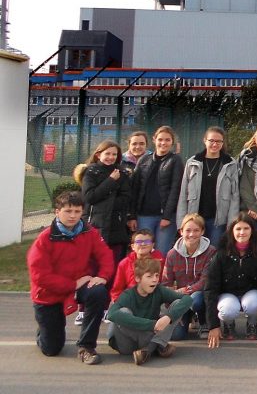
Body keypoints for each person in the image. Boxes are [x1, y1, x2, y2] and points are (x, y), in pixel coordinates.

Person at [27, 190, 113, 364]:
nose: (73, 216)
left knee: (98, 293)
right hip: (48, 294)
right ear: (57, 212)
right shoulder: (44, 239)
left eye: (77, 211)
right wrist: (72, 285)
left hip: (79, 283)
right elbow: (40, 276)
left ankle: (86, 347)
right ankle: (45, 331)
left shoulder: (90, 232)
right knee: (51, 349)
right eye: (68, 211)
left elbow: (105, 255)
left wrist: (103, 276)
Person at [106, 256, 191, 364]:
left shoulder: (159, 290)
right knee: (123, 312)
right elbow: (111, 314)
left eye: (156, 275)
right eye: (149, 276)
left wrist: (168, 317)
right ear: (138, 279)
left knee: (178, 304)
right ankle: (157, 345)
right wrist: (152, 325)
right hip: (126, 344)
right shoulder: (128, 295)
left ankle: (148, 350)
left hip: (148, 336)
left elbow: (187, 299)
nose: (155, 279)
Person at [204, 214, 257, 347]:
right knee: (228, 309)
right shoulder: (221, 254)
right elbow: (210, 289)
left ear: (252, 230)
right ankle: (228, 325)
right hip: (228, 293)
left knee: (254, 304)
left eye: (246, 228)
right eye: (238, 229)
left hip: (251, 292)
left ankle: (252, 324)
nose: (242, 232)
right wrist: (213, 326)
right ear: (231, 231)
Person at [177, 126, 240, 248]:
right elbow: (183, 193)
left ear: (223, 143)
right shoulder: (192, 162)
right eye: (211, 140)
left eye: (219, 141)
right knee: (194, 251)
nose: (215, 144)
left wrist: (232, 223)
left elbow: (235, 195)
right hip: (195, 219)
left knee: (214, 252)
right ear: (205, 140)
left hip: (218, 220)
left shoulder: (230, 163)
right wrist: (182, 222)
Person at [128, 126, 184, 256]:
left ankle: (159, 277)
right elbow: (135, 189)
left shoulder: (175, 160)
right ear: (154, 140)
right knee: (143, 253)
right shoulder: (144, 159)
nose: (163, 143)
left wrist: (167, 216)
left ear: (172, 142)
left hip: (165, 218)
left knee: (161, 253)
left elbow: (176, 189)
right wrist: (132, 216)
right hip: (144, 215)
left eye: (167, 140)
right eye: (160, 139)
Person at [77, 139, 133, 263]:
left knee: (115, 263)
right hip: (94, 224)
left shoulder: (122, 173)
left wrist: (104, 202)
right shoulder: (91, 172)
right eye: (107, 154)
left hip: (116, 226)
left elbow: (125, 198)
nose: (111, 157)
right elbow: (89, 197)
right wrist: (111, 181)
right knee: (94, 263)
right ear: (98, 155)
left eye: (114, 154)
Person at [161, 212, 215, 340]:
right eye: (188, 230)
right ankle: (188, 318)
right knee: (177, 336)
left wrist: (185, 290)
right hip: (180, 299)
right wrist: (172, 309)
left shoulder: (211, 251)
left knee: (196, 299)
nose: (191, 234)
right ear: (181, 232)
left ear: (202, 231)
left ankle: (203, 321)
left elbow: (205, 281)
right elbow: (165, 284)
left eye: (196, 230)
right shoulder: (172, 254)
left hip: (200, 295)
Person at [110, 228, 166, 304]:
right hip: (131, 300)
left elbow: (164, 283)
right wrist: (120, 303)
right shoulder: (124, 263)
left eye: (147, 241)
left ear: (153, 245)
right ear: (132, 246)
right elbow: (117, 290)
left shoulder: (160, 261)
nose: (143, 244)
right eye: (139, 242)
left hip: (153, 299)